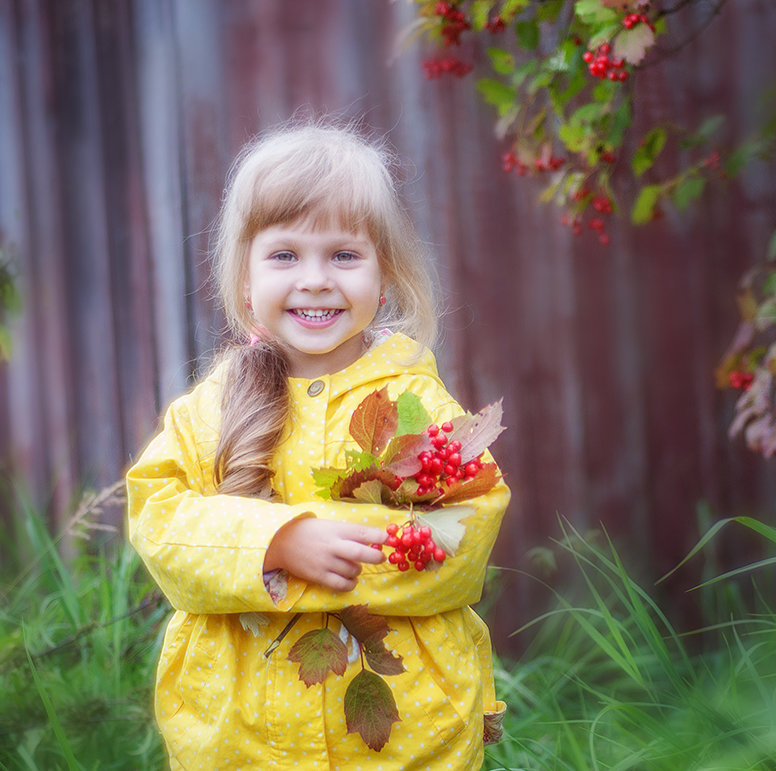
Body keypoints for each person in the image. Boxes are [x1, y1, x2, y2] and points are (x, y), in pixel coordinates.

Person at [126, 120, 509, 770]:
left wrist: (336, 549)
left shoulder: (412, 405)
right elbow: (157, 517)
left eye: (343, 255)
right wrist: (277, 542)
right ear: (246, 280)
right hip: (245, 730)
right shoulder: (211, 410)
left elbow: (467, 524)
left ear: (382, 275)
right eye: (284, 255)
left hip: (403, 722)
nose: (315, 279)